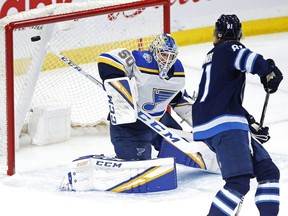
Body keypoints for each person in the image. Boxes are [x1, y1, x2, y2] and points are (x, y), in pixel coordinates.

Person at [192, 14, 283, 215]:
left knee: (269, 171)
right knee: (238, 183)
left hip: (222, 122)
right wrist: (269, 70)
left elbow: (221, 99)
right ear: (239, 34)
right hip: (225, 125)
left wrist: (249, 123)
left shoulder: (214, 55)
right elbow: (252, 60)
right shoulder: (230, 48)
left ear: (216, 33)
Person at [97, 34, 210, 170]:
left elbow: (175, 97)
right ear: (154, 51)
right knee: (138, 167)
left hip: (160, 121)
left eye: (171, 56)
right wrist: (118, 86)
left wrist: (201, 123)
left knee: (181, 151)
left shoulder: (178, 70)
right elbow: (107, 59)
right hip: (130, 127)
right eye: (163, 55)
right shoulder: (142, 61)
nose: (167, 60)